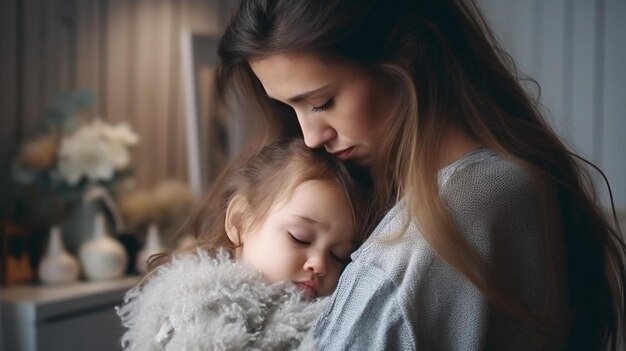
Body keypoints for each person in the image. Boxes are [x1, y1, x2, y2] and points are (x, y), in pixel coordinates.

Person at [216, 0, 626, 350]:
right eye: (291, 108)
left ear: (407, 56)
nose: (310, 137)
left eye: (322, 102)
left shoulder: (408, 255)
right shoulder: (521, 180)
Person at [117, 139, 373, 350]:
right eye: (299, 237)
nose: (318, 264)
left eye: (339, 255)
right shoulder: (196, 307)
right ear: (240, 221)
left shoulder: (330, 323)